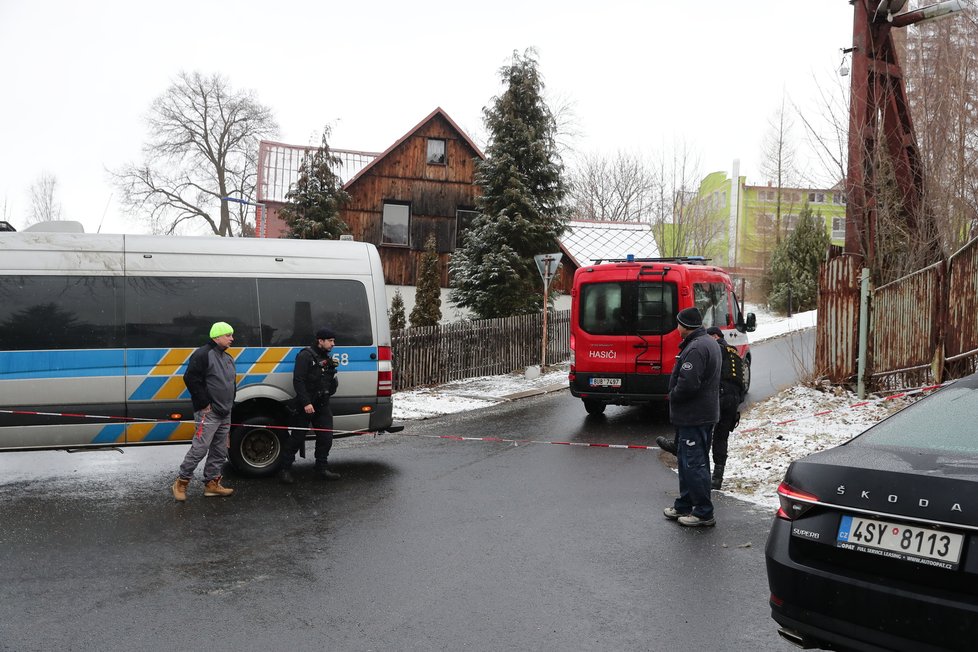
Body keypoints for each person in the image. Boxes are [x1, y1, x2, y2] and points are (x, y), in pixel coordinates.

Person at [662, 307, 721, 527]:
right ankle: (684, 505)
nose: (676, 328)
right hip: (699, 415)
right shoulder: (707, 342)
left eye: (678, 323)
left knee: (695, 464)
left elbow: (688, 384)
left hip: (694, 416)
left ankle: (704, 512)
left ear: (685, 326)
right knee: (688, 463)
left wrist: (673, 395)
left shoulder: (696, 348)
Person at [171, 321, 237, 501]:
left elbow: (231, 383)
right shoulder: (203, 354)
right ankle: (181, 482)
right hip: (209, 412)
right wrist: (204, 403)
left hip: (225, 411)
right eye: (228, 335)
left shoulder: (228, 358)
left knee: (220, 449)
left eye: (232, 335)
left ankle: (212, 484)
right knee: (200, 448)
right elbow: (190, 378)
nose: (232, 338)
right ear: (216, 336)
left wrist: (230, 404)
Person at [278, 327, 341, 484]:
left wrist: (332, 369)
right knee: (297, 437)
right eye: (330, 341)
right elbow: (298, 380)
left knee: (326, 437)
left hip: (322, 403)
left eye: (333, 341)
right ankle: (285, 470)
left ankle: (321, 468)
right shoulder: (305, 356)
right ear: (320, 341)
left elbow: (328, 381)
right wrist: (306, 402)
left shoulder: (326, 358)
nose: (333, 344)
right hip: (306, 404)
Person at [706, 326, 746, 490]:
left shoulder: (717, 349)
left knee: (705, 431)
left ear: (715, 336)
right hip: (734, 397)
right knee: (721, 437)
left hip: (720, 395)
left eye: (708, 338)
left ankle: (701, 472)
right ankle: (717, 477)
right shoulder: (734, 351)